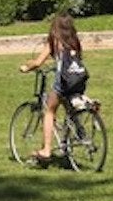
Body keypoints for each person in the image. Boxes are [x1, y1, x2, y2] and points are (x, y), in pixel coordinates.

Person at [19, 13, 86, 164]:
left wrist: (25, 67)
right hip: (78, 80)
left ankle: (46, 149)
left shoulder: (54, 41)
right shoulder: (74, 40)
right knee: (71, 108)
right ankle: (79, 135)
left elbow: (38, 62)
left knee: (49, 111)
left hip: (63, 81)